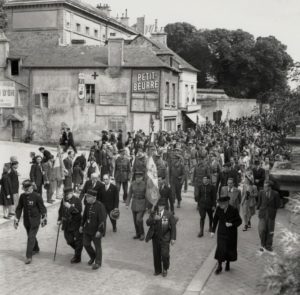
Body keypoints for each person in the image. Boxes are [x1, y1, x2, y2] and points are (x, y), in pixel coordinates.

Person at [14, 180, 47, 264]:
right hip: (26, 221)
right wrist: (16, 218)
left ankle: (28, 256)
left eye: (26, 189)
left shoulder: (37, 196)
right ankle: (36, 248)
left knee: (31, 237)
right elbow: (19, 208)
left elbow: (43, 208)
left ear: (31, 187)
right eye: (24, 189)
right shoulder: (22, 196)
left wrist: (44, 217)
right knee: (30, 235)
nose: (25, 190)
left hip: (35, 221)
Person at [146, 197, 176, 277]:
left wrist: (173, 238)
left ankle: (165, 268)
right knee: (156, 254)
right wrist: (153, 219)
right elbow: (147, 223)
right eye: (159, 205)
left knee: (165, 254)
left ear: (164, 206)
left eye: (161, 206)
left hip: (165, 237)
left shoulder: (168, 214)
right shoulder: (153, 213)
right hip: (155, 237)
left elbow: (173, 227)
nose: (160, 207)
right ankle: (157, 270)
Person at [211, 196, 242, 275]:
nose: (220, 205)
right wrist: (213, 231)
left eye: (222, 204)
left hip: (231, 233)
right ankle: (219, 266)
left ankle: (228, 263)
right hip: (221, 232)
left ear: (227, 203)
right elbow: (215, 220)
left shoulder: (233, 209)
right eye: (220, 204)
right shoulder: (218, 209)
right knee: (220, 248)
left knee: (229, 248)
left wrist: (231, 224)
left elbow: (239, 221)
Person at [79, 190, 106, 270]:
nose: (86, 198)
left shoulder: (100, 206)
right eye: (86, 197)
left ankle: (98, 262)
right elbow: (84, 216)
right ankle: (93, 256)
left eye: (88, 197)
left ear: (94, 197)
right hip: (87, 229)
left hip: (96, 230)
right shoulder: (87, 205)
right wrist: (81, 225)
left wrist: (100, 231)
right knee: (85, 244)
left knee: (97, 246)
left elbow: (102, 220)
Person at [57, 187, 83, 263]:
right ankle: (78, 249)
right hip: (67, 224)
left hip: (76, 224)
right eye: (65, 194)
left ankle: (77, 257)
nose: (66, 196)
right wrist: (59, 219)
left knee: (78, 241)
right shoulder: (63, 200)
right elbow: (61, 210)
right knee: (69, 240)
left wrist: (70, 207)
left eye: (68, 194)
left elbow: (79, 211)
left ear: (72, 193)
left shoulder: (77, 200)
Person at [257, 181, 280, 252]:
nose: (264, 188)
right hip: (262, 214)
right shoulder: (261, 192)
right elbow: (259, 202)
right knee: (261, 230)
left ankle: (268, 245)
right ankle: (262, 244)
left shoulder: (275, 194)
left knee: (270, 230)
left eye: (265, 186)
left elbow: (277, 205)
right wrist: (259, 210)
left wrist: (273, 211)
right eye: (264, 186)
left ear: (270, 187)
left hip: (271, 214)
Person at [126, 172, 147, 241]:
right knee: (135, 221)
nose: (137, 179)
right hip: (134, 204)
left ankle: (142, 234)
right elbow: (129, 194)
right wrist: (127, 204)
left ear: (142, 178)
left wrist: (148, 206)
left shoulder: (145, 184)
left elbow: (148, 196)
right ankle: (138, 234)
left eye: (139, 178)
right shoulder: (133, 184)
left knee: (139, 219)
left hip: (142, 203)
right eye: (136, 178)